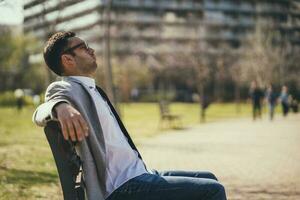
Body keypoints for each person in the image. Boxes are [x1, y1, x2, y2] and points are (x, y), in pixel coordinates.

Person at [32, 32, 226, 200]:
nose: (92, 50)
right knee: (213, 191)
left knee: (209, 177)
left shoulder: (92, 89)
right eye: (84, 47)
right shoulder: (67, 88)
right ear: (68, 60)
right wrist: (60, 107)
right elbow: (42, 109)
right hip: (122, 186)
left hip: (139, 173)